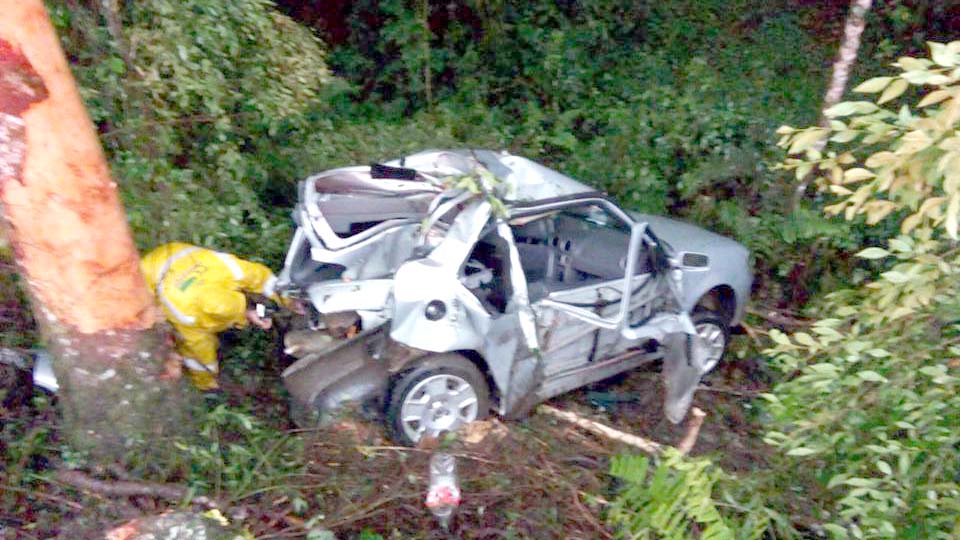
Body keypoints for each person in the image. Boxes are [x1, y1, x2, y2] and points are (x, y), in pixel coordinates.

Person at [140, 242, 280, 391]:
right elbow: (200, 353)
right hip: (143, 281)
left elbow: (260, 277)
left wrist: (285, 299)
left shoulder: (226, 268)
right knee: (154, 323)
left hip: (174, 257)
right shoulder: (186, 315)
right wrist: (206, 383)